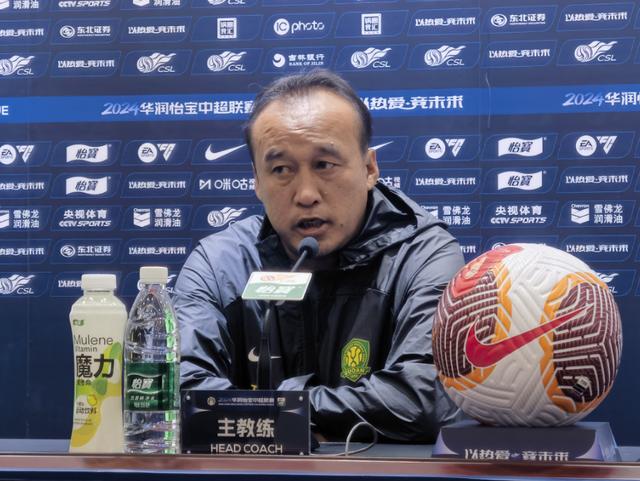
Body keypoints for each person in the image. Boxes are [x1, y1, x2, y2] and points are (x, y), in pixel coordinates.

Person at [174, 69, 464, 442]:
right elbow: (178, 388)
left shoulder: (423, 255)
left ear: (369, 168)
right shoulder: (221, 264)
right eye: (281, 170)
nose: (306, 194)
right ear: (257, 181)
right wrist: (294, 417)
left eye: (324, 165)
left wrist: (283, 411)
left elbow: (425, 396)